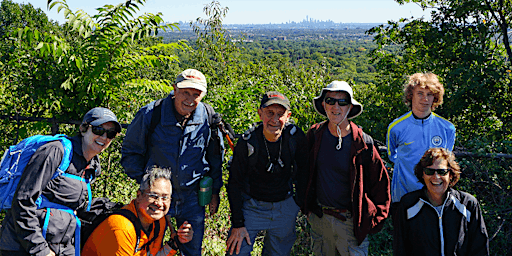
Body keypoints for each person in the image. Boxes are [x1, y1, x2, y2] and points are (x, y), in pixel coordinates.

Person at [121, 69, 224, 255]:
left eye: (196, 94)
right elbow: (130, 152)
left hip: (192, 198)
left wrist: (214, 192)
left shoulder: (207, 117)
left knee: (191, 248)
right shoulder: (152, 114)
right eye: (185, 92)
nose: (190, 99)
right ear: (174, 89)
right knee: (151, 246)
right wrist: (147, 184)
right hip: (156, 198)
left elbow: (215, 158)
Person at [0, 107, 121, 256]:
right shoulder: (56, 151)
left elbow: (74, 207)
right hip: (22, 246)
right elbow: (23, 202)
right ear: (83, 129)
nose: (104, 137)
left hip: (61, 245)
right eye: (98, 130)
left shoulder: (92, 167)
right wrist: (41, 250)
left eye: (111, 133)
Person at [304, 81, 391, 255]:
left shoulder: (363, 143)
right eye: (330, 101)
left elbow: (381, 184)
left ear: (350, 107)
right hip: (320, 220)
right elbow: (302, 173)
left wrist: (370, 221)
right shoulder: (315, 135)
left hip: (351, 224)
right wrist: (307, 209)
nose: (336, 107)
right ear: (323, 104)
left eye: (342, 102)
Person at [226, 91, 308, 255]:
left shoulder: (295, 137)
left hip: (284, 207)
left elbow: (304, 172)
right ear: (260, 113)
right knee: (236, 251)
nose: (274, 119)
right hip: (252, 207)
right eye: (270, 113)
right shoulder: (248, 142)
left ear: (288, 116)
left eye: (280, 114)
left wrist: (298, 203)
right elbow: (234, 183)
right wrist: (237, 223)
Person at [393, 148, 489, 255]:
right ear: (422, 174)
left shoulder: (468, 204)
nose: (436, 177)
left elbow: (480, 248)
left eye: (442, 172)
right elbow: (400, 248)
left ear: (450, 175)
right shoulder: (408, 204)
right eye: (429, 171)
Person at [387, 73, 456, 217]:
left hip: (435, 199)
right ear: (411, 95)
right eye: (420, 93)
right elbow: (392, 155)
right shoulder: (396, 127)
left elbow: (446, 163)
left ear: (435, 98)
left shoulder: (447, 128)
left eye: (430, 94)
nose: (425, 99)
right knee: (404, 239)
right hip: (404, 197)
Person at [82, 167, 193, 256]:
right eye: (153, 196)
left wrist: (175, 243)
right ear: (139, 195)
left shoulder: (158, 222)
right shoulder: (122, 228)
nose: (159, 203)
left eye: (165, 198)